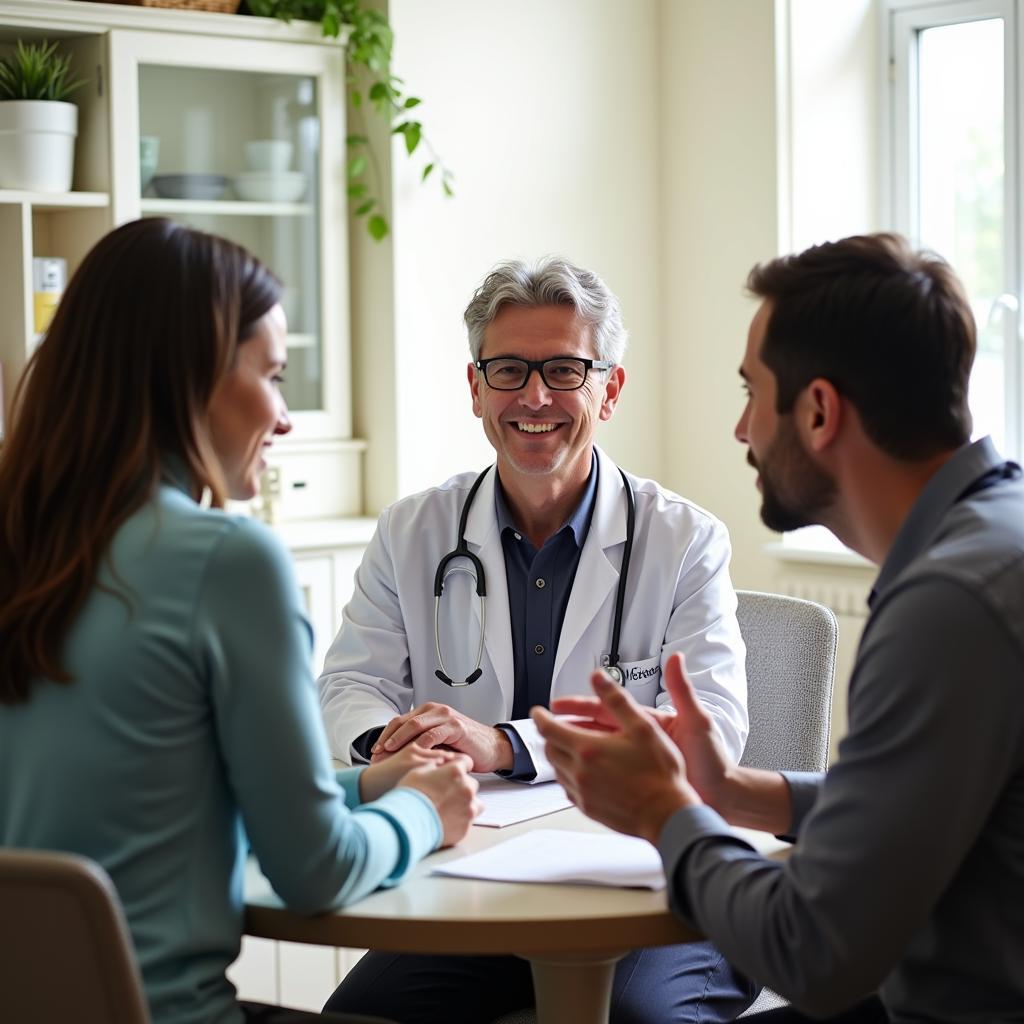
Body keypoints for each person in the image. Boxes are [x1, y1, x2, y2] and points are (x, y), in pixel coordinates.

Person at [533, 232, 1024, 1023]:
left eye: (750, 393)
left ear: (820, 411)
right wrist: (731, 793)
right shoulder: (993, 538)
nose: (741, 432)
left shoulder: (950, 603)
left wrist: (666, 812)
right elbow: (909, 802)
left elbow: (814, 951)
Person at [0, 218, 481, 1024]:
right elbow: (316, 870)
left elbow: (164, 794)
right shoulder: (226, 561)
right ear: (188, 378)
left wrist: (365, 786)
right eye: (274, 374)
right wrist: (425, 811)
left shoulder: (27, 543)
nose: (286, 417)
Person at [320, 257, 755, 1023]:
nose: (534, 397)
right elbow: (350, 686)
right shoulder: (412, 529)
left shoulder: (686, 540)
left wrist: (503, 745)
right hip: (468, 881)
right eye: (509, 369)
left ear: (609, 389)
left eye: (564, 369)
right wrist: (395, 747)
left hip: (650, 887)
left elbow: (707, 731)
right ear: (476, 387)